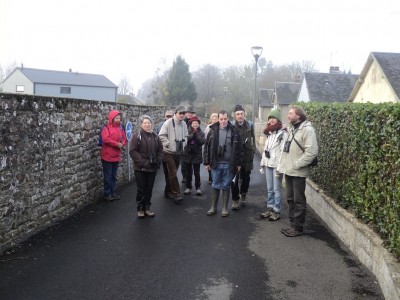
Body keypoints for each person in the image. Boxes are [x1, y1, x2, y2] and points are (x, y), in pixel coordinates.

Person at [277, 105, 318, 237]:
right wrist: (282, 168)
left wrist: (297, 164)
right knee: (290, 199)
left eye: (290, 113)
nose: (288, 116)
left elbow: (312, 152)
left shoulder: (307, 130)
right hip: (289, 171)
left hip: (298, 172)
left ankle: (298, 228)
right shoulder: (291, 129)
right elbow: (286, 151)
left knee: (298, 201)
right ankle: (292, 225)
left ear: (298, 116)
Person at [203, 110, 243, 217]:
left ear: (228, 119)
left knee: (226, 186)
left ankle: (225, 208)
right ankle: (213, 207)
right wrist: (206, 162)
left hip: (229, 164)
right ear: (218, 119)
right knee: (215, 185)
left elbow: (239, 149)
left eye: (225, 119)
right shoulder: (212, 130)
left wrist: (238, 163)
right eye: (221, 119)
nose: (223, 121)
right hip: (215, 163)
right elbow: (206, 147)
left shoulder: (234, 131)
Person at [129, 115, 163, 218]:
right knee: (141, 189)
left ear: (151, 124)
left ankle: (147, 208)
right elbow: (133, 151)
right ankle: (140, 209)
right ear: (141, 124)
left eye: (148, 123)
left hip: (152, 168)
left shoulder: (155, 136)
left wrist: (158, 160)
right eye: (145, 123)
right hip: (140, 168)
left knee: (149, 189)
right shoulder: (137, 136)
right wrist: (143, 163)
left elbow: (160, 150)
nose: (147, 125)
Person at [259, 109, 287, 221]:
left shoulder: (283, 133)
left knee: (276, 189)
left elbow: (283, 152)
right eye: (270, 118)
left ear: (278, 119)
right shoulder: (269, 133)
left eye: (273, 118)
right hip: (268, 165)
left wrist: (279, 168)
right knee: (269, 188)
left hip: (276, 166)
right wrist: (262, 163)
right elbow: (266, 150)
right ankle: (269, 208)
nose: (271, 120)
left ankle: (276, 210)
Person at [159, 105, 188, 203]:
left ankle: (167, 192)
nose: (182, 115)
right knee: (173, 172)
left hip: (178, 152)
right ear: (175, 113)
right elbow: (161, 135)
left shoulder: (184, 123)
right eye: (180, 113)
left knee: (171, 174)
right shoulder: (168, 123)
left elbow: (186, 135)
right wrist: (168, 143)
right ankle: (176, 193)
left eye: (183, 113)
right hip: (168, 152)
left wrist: (185, 143)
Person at [230, 104, 256, 210]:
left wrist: (253, 150)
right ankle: (235, 200)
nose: (240, 116)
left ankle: (243, 193)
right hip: (235, 158)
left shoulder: (250, 125)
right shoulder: (231, 126)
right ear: (234, 116)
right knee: (234, 180)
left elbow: (253, 139)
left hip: (247, 157)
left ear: (244, 114)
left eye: (241, 114)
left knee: (246, 179)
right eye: (238, 114)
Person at [100, 110, 127, 201]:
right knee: (108, 176)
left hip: (116, 155)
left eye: (119, 118)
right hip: (107, 156)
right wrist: (117, 144)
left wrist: (122, 144)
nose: (118, 120)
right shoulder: (106, 128)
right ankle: (107, 194)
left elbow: (124, 138)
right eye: (116, 118)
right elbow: (106, 139)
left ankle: (112, 192)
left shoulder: (120, 127)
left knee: (114, 176)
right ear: (112, 118)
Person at [183, 116, 205, 196]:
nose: (195, 124)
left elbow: (201, 142)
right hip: (188, 154)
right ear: (191, 124)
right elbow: (186, 140)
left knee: (197, 173)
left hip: (197, 154)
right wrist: (193, 134)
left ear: (199, 124)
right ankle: (188, 187)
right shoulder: (187, 131)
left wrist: (196, 135)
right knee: (188, 172)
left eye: (196, 123)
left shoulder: (201, 133)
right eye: (193, 123)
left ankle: (198, 187)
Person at [180, 104, 196, 183]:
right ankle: (184, 177)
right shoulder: (182, 122)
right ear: (185, 113)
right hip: (183, 145)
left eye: (190, 113)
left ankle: (189, 177)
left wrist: (192, 143)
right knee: (183, 163)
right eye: (187, 113)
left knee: (191, 163)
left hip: (191, 145)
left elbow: (196, 133)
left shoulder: (195, 122)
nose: (189, 114)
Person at [204, 113, 219, 184]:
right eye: (213, 119)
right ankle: (210, 177)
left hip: (217, 147)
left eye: (216, 119)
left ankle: (216, 177)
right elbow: (206, 136)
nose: (214, 120)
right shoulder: (208, 127)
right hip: (210, 146)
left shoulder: (220, 126)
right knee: (210, 162)